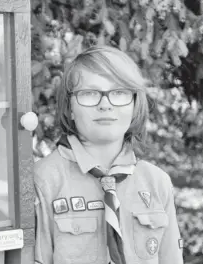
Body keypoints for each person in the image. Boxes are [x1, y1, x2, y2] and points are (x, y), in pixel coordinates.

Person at [34, 45, 184, 264]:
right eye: (89, 93)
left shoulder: (157, 182)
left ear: (134, 104)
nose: (105, 104)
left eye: (119, 93)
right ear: (69, 108)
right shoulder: (43, 180)